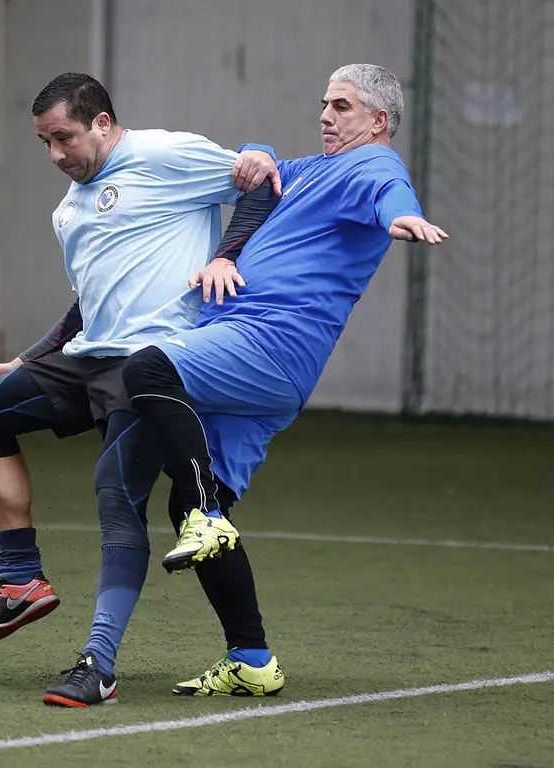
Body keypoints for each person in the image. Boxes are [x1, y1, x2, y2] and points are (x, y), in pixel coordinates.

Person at [99, 63, 448, 698]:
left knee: (147, 367)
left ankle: (204, 513)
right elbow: (264, 169)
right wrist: (256, 154)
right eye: (324, 104)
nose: (326, 115)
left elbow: (389, 193)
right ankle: (252, 659)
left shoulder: (372, 166)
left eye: (341, 106)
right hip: (257, 365)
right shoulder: (311, 170)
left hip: (267, 347)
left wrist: (404, 217)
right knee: (188, 505)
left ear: (379, 121)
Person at [0, 72, 281, 707]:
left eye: (64, 138)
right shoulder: (67, 211)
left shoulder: (164, 153)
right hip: (88, 358)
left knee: (116, 493)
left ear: (102, 123)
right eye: (45, 143)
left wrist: (227, 254)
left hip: (153, 366)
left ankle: (98, 665)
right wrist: (30, 357)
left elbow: (261, 184)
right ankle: (20, 580)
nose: (56, 155)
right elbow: (91, 301)